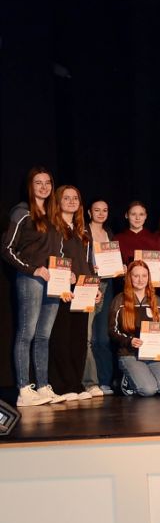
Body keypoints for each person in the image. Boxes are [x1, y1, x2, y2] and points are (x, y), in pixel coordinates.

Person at [3, 167, 64, 406]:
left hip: (53, 281)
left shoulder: (53, 215)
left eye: (47, 182)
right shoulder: (22, 212)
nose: (43, 187)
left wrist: (63, 273)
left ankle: (42, 386)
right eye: (38, 183)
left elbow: (58, 250)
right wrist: (33, 269)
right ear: (31, 186)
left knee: (43, 336)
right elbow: (6, 249)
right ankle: (23, 389)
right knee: (26, 334)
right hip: (31, 279)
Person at [47, 185, 99, 401]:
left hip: (83, 289)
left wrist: (93, 288)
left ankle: (76, 383)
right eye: (66, 198)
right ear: (58, 201)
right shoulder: (52, 227)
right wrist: (64, 276)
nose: (71, 201)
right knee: (62, 337)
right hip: (62, 289)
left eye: (75, 198)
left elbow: (87, 263)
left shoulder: (83, 230)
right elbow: (50, 257)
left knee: (79, 338)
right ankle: (64, 385)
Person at [109, 260, 160, 397]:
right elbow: (112, 330)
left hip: (153, 354)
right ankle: (126, 379)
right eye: (136, 276)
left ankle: (141, 376)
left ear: (149, 277)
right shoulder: (120, 300)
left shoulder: (156, 300)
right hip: (129, 354)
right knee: (148, 390)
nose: (140, 280)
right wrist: (130, 341)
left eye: (144, 276)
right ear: (129, 277)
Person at [85, 198, 116, 395]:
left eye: (104, 210)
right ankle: (90, 382)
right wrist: (90, 267)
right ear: (89, 212)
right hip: (88, 284)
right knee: (88, 337)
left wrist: (119, 267)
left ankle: (105, 381)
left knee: (103, 337)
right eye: (97, 210)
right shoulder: (83, 232)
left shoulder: (109, 233)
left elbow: (113, 259)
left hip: (107, 284)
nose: (101, 213)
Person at [114, 201, 160, 266]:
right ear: (126, 215)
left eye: (141, 214)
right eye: (133, 214)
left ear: (146, 216)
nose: (137, 218)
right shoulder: (117, 239)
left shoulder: (156, 239)